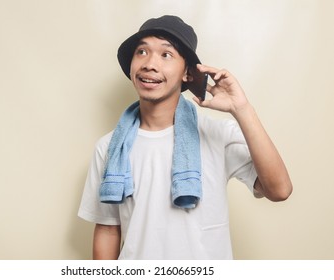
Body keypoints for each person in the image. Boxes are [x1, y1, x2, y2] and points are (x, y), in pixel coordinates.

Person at [78, 15, 292, 260]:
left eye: (166, 54)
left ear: (188, 73)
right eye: (142, 52)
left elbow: (280, 190)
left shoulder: (216, 135)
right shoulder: (109, 148)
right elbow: (107, 229)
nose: (149, 63)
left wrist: (241, 108)